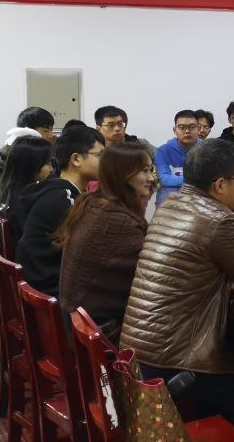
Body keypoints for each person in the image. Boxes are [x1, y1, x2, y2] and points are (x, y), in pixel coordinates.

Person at [119, 139, 234, 437]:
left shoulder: (168, 206)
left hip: (140, 353)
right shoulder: (218, 220)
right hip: (175, 363)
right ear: (220, 185)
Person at [56, 141, 155, 343]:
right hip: (98, 334)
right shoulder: (118, 221)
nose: (151, 178)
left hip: (76, 323)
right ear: (123, 175)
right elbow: (149, 276)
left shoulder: (92, 203)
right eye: (144, 171)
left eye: (151, 170)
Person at [14, 125, 104, 296]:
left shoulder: (57, 190)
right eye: (100, 155)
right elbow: (92, 249)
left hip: (39, 284)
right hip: (51, 291)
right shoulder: (64, 200)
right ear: (76, 159)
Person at [0, 107, 57, 202]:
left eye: (51, 130)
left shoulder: (37, 157)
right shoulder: (0, 169)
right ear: (28, 131)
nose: (51, 136)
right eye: (46, 130)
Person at [0, 136, 54, 216]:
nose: (51, 169)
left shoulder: (2, 193)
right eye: (47, 163)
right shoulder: (29, 203)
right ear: (32, 165)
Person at [154, 110, 201, 187]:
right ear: (174, 130)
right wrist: (198, 180)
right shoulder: (162, 152)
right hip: (170, 194)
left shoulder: (208, 150)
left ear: (198, 129)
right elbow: (163, 179)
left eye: (192, 127)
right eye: (182, 127)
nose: (187, 131)